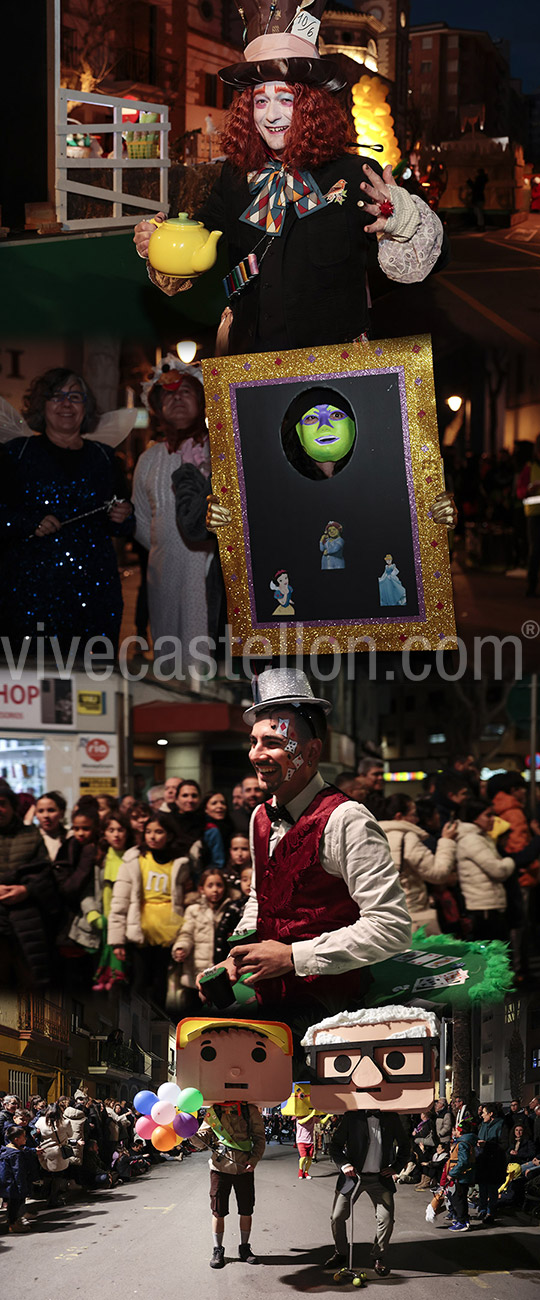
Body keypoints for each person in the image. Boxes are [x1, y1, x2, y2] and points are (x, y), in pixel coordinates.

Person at [133, 2, 448, 356]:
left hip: (330, 373)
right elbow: (197, 243)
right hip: (249, 364)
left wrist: (402, 218)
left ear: (311, 104)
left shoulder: (352, 173)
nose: (272, 115)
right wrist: (161, 243)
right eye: (260, 101)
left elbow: (434, 259)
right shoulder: (234, 176)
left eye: (286, 99)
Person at [211, 668, 411, 1029]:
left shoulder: (347, 820)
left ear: (312, 751)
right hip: (270, 1006)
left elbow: (391, 927)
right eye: (253, 742)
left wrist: (293, 956)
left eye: (272, 742)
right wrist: (235, 958)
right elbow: (261, 896)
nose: (257, 755)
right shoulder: (259, 815)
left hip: (335, 1013)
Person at [0, 368, 134, 653]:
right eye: (56, 396)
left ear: (86, 407)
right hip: (30, 594)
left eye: (75, 396)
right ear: (41, 405)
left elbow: (123, 522)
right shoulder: (16, 453)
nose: (66, 404)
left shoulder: (104, 457)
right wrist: (27, 522)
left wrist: (124, 515)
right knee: (34, 682)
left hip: (96, 592)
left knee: (92, 685)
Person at [132, 355, 214, 664]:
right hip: (163, 576)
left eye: (186, 392)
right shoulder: (149, 459)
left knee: (207, 654)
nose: (177, 398)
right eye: (169, 394)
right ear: (157, 407)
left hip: (206, 574)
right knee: (168, 656)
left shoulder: (220, 450)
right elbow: (142, 522)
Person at [108, 810, 190, 1008]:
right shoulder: (135, 860)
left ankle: (159, 1024)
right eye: (149, 831)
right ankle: (136, 1026)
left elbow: (185, 898)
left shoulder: (179, 862)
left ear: (169, 835)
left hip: (169, 928)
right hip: (141, 927)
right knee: (139, 979)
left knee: (160, 980)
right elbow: (120, 901)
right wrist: (117, 941)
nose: (153, 836)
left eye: (159, 832)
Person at [325, 1108, 408, 1275]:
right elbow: (335, 1146)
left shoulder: (391, 1118)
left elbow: (405, 1144)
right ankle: (340, 1253)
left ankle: (379, 1256)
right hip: (353, 1178)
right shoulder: (351, 1117)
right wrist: (343, 1164)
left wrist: (396, 1167)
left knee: (386, 1219)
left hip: (380, 1179)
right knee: (337, 1216)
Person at [0, 779, 59, 989]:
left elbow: (45, 874)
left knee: (30, 984)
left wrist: (26, 889)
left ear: (12, 806)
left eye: (2, 803)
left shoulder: (31, 835)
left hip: (26, 920)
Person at [379, 794, 457, 935]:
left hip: (386, 915)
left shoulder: (376, 834)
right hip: (414, 915)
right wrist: (447, 841)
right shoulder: (406, 837)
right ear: (399, 816)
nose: (417, 819)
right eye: (413, 814)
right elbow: (438, 873)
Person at [170, 867, 244, 1015]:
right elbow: (186, 933)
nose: (215, 890)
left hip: (221, 971)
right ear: (201, 888)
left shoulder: (232, 909)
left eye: (219, 885)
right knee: (192, 1009)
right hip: (197, 969)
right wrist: (181, 947)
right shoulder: (194, 910)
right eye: (210, 885)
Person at [455, 799, 515, 940]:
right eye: (488, 815)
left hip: (487, 905)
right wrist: (509, 861)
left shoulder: (480, 837)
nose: (493, 819)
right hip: (482, 908)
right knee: (493, 954)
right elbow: (498, 870)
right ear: (475, 818)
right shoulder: (471, 840)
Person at [0, 1124, 40, 1232]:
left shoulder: (5, 1150)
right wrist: (22, 1187)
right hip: (13, 1184)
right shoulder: (16, 1154)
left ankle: (12, 1221)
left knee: (11, 1204)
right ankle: (13, 1225)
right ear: (16, 1139)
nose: (26, 1139)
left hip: (7, 1182)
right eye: (24, 1137)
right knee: (15, 1204)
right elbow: (18, 1171)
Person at [475, 1102, 506, 1225]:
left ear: (491, 1114)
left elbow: (504, 1145)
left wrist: (487, 1144)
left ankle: (490, 1212)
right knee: (482, 1188)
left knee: (492, 1189)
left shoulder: (501, 1125)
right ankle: (482, 1209)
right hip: (483, 1161)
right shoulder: (482, 1125)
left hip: (494, 1163)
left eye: (484, 1113)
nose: (482, 1115)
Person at [517, 433, 540, 597]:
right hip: (534, 516)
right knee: (535, 551)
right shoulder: (529, 468)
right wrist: (528, 490)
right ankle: (532, 585)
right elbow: (520, 492)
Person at [34, 791, 68, 860]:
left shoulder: (70, 837)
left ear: (62, 813)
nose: (46, 815)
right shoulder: (30, 838)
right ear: (35, 814)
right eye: (41, 811)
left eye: (51, 810)